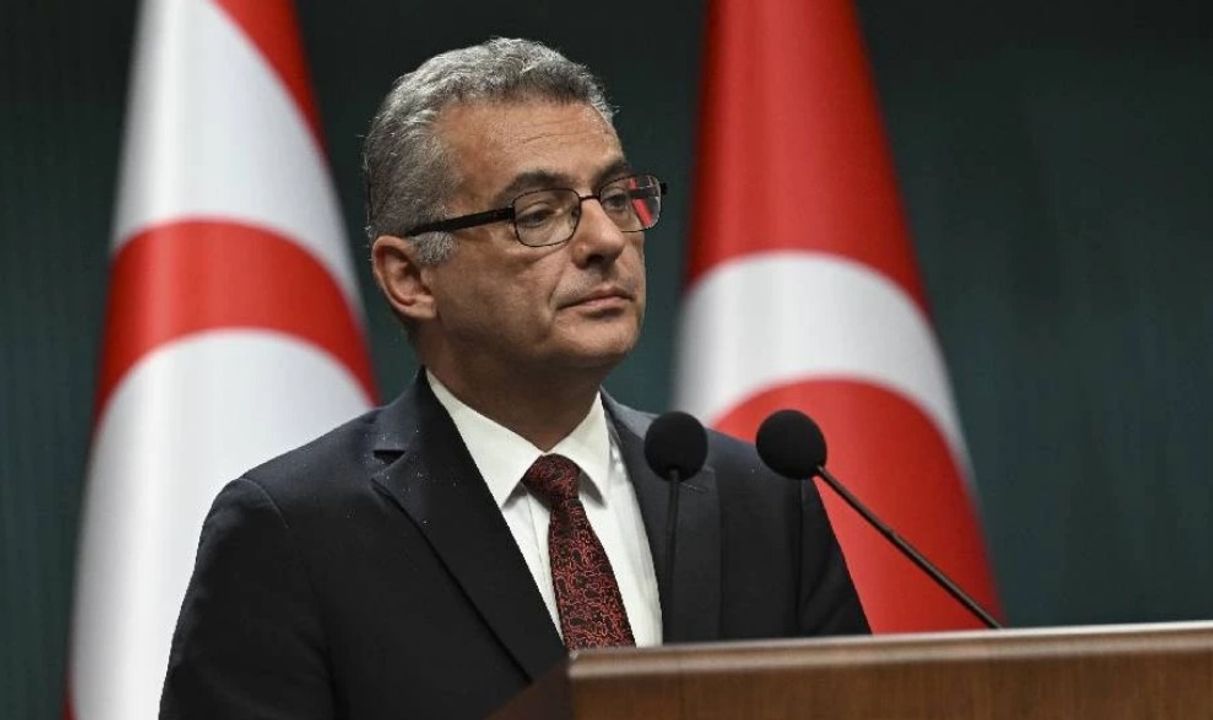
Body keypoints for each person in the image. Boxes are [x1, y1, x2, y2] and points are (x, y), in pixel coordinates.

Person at [160, 38, 868, 720]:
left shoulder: (761, 498)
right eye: (539, 214)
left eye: (617, 196)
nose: (606, 240)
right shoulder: (294, 533)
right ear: (410, 278)